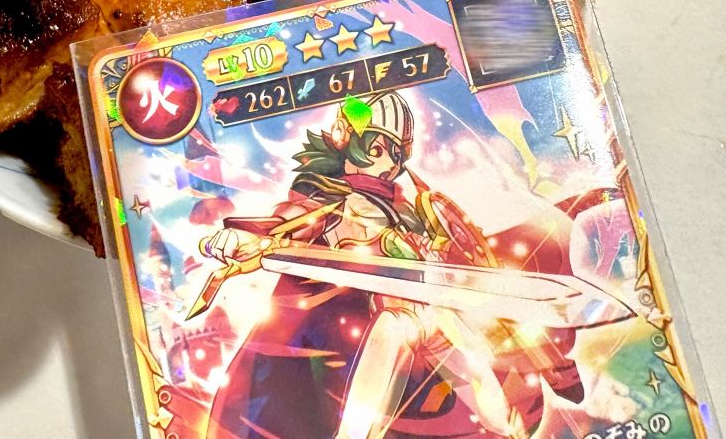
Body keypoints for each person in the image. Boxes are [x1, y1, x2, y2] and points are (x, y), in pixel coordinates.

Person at [201, 91, 583, 439]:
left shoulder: (410, 205)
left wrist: (440, 252)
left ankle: (549, 379)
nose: (386, 162)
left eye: (395, 153)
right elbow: (290, 222)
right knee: (391, 330)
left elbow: (456, 249)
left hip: (437, 310)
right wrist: (245, 238)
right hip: (391, 320)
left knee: (491, 367)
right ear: (348, 141)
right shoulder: (330, 198)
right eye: (376, 148)